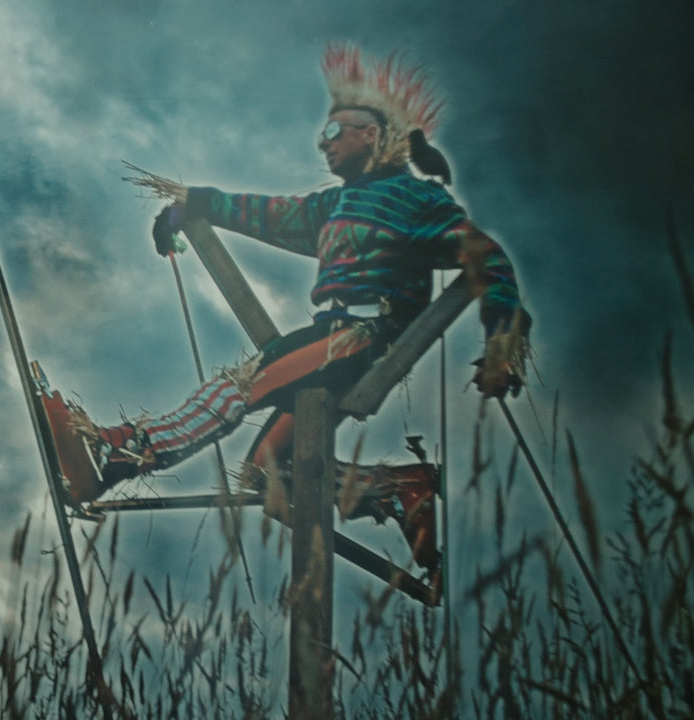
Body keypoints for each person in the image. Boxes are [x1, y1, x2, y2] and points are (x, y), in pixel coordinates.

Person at [66, 43, 532, 571]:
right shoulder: (333, 204)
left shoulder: (417, 200)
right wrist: (188, 206)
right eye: (322, 132)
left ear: (371, 135)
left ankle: (119, 451)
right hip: (331, 335)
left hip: (362, 334)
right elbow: (263, 212)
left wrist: (503, 338)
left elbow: (484, 256)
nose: (322, 142)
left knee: (240, 387)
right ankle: (398, 487)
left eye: (335, 130)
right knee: (269, 471)